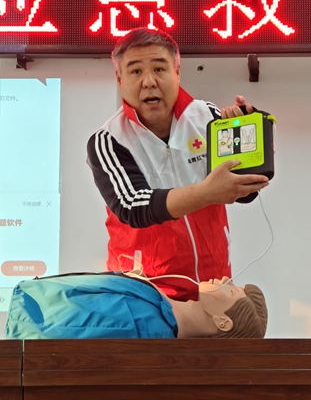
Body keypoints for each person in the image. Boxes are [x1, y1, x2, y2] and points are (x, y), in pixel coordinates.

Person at [86, 27, 270, 302]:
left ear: (177, 72)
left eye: (159, 69)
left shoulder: (208, 117)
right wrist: (207, 192)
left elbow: (244, 194)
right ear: (119, 78)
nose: (149, 82)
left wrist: (249, 144)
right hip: (142, 295)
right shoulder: (109, 140)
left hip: (212, 288)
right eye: (136, 71)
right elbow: (133, 207)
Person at [4, 274, 268, 339]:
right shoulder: (161, 309)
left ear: (223, 322)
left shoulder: (147, 328)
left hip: (21, 315)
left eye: (232, 291)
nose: (226, 279)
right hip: (27, 299)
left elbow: (67, 325)